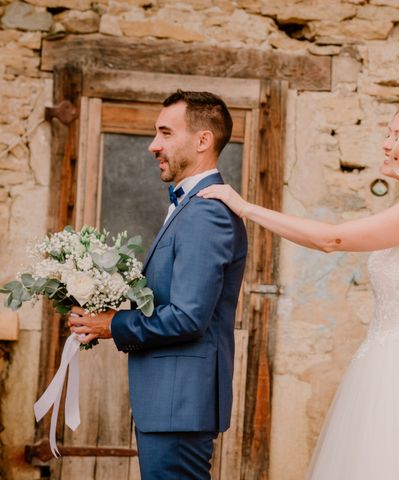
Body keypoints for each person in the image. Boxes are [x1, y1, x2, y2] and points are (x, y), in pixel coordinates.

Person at [198, 101, 399, 479]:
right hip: (392, 365)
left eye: (397, 136)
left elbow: (332, 239)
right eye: (388, 134)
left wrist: (246, 208)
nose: (386, 145)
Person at [69, 90, 248, 479]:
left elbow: (187, 316)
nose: (154, 145)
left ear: (203, 140)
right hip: (171, 404)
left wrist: (112, 325)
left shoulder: (206, 213)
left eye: (165, 133)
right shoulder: (189, 206)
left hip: (179, 405)